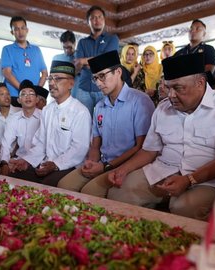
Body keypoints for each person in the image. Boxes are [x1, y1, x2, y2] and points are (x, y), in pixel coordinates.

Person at [106, 53, 215, 220]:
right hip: (162, 170)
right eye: (168, 87)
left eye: (178, 88)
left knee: (184, 208)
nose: (171, 95)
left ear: (200, 83)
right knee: (118, 193)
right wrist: (123, 169)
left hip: (206, 180)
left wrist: (189, 179)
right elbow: (149, 151)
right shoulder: (163, 108)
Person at [58, 50, 155, 197]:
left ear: (118, 72)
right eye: (95, 78)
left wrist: (105, 166)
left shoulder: (139, 101)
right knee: (63, 186)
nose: (98, 83)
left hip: (125, 165)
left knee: (89, 192)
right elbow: (96, 144)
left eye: (102, 76)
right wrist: (92, 162)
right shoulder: (99, 106)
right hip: (102, 163)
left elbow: (140, 147)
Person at [8, 60, 91, 186]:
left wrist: (55, 165)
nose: (51, 83)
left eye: (57, 79)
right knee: (15, 174)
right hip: (46, 163)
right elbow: (41, 143)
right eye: (50, 79)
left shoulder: (80, 112)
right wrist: (26, 160)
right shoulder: (47, 110)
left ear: (71, 83)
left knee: (47, 185)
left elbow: (79, 149)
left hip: (68, 166)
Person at [74, 6, 119, 116]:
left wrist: (84, 61)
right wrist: (98, 61)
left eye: (100, 17)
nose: (97, 20)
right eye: (93, 18)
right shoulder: (82, 42)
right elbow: (76, 66)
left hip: (104, 88)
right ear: (88, 22)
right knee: (82, 121)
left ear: (104, 20)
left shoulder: (113, 39)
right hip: (84, 88)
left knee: (105, 121)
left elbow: (108, 61)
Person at [1, 16, 48, 107]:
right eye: (16, 29)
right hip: (15, 96)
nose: (20, 32)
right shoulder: (7, 49)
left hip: (34, 97)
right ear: (12, 32)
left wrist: (35, 92)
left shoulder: (36, 50)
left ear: (27, 30)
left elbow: (45, 73)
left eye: (23, 28)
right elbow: (7, 73)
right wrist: (24, 92)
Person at [0, 80, 42, 176]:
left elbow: (44, 147)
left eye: (31, 94)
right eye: (23, 94)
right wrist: (4, 163)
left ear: (37, 99)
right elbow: (6, 143)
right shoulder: (13, 119)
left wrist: (27, 161)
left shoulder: (44, 117)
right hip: (19, 159)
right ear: (19, 100)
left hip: (38, 160)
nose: (28, 97)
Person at [53, 30, 79, 98]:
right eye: (64, 47)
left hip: (79, 97)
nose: (67, 50)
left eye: (69, 47)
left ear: (75, 43)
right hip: (62, 96)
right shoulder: (56, 58)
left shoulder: (81, 57)